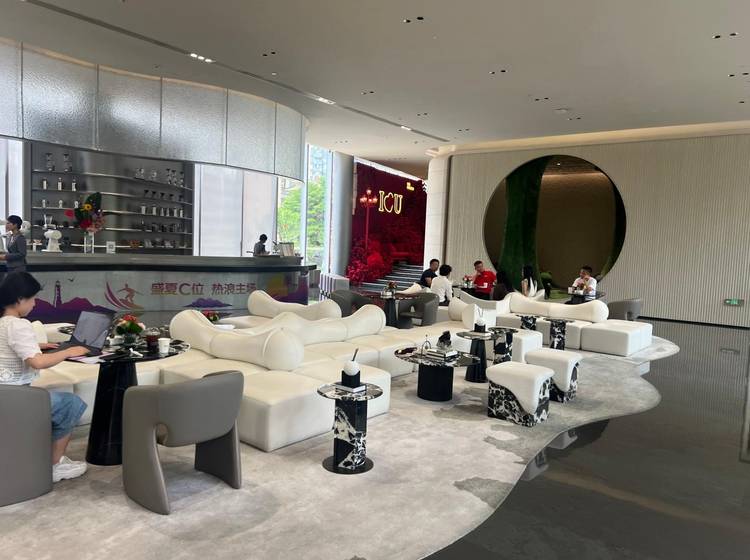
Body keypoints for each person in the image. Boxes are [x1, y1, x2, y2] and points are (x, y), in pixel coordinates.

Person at [0, 272, 91, 482]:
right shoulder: (18, 324)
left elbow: (9, 346)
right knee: (71, 404)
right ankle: (55, 466)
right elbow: (37, 362)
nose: (34, 304)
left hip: (5, 395)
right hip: (13, 399)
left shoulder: (3, 323)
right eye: (32, 299)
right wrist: (69, 352)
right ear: (20, 299)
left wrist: (37, 345)